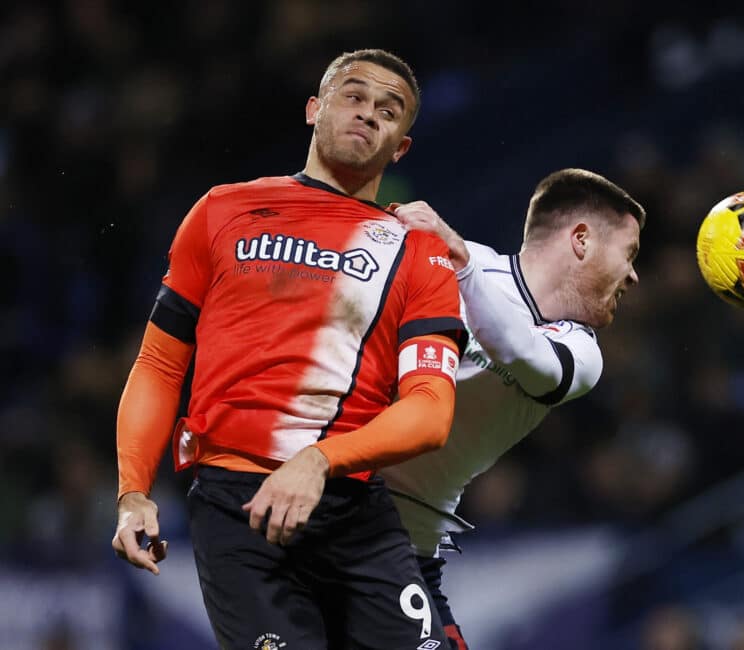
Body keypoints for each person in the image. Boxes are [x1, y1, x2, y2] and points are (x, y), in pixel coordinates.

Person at [111, 48, 468, 649]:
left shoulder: (419, 250)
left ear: (400, 147)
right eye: (353, 96)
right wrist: (132, 492)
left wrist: (322, 459)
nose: (368, 114)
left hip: (353, 505)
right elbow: (159, 362)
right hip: (234, 504)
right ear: (314, 109)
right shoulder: (222, 211)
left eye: (389, 110)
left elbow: (431, 411)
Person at [382, 168, 645, 649]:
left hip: (407, 552)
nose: (633, 274)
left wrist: (459, 263)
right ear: (581, 240)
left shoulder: (582, 354)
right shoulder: (447, 261)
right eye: (628, 254)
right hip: (327, 497)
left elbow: (523, 355)